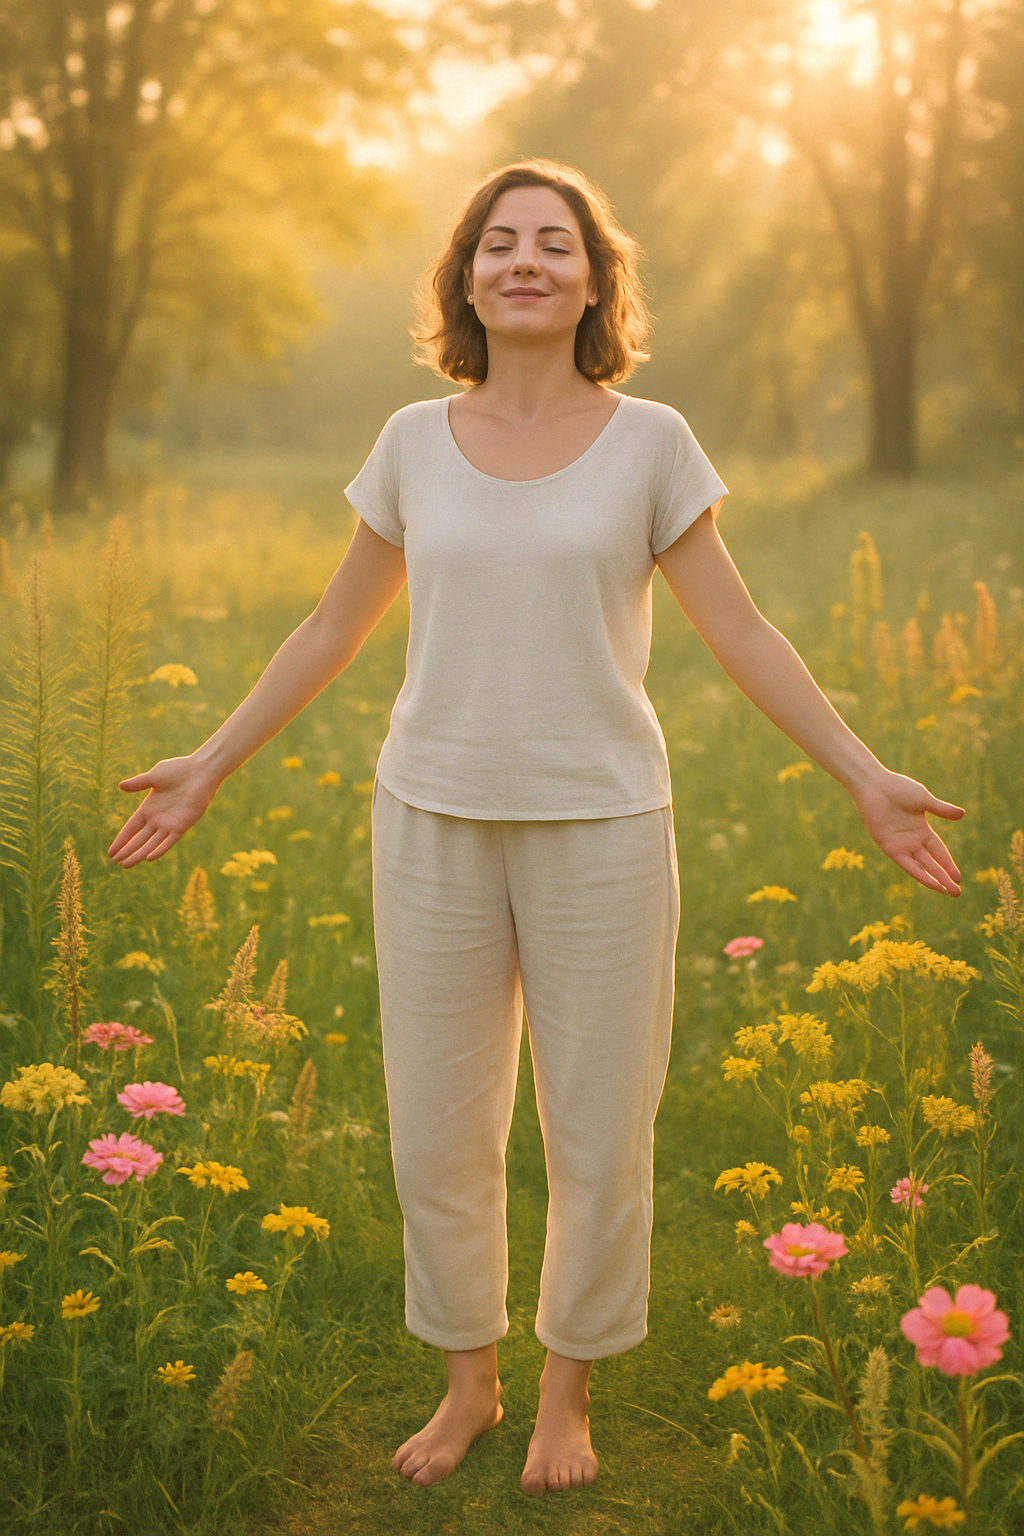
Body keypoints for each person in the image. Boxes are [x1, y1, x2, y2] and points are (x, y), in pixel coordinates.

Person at [107, 158, 964, 1498]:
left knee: (599, 1129)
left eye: (553, 243)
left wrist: (862, 772)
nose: (525, 261)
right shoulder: (407, 442)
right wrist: (212, 761)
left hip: (604, 827)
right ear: (463, 276)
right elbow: (335, 623)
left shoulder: (654, 443)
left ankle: (568, 1392)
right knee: (439, 1130)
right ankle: (469, 1383)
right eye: (498, 242)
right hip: (431, 819)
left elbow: (738, 627)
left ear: (592, 278)